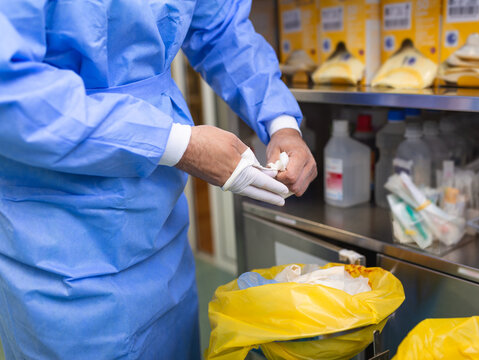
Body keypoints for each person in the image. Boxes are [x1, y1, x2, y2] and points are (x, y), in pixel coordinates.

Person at [0, 0, 316, 359]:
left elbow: (221, 30)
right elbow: (10, 91)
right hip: (59, 243)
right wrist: (178, 144)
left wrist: (282, 124)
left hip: (160, 224)